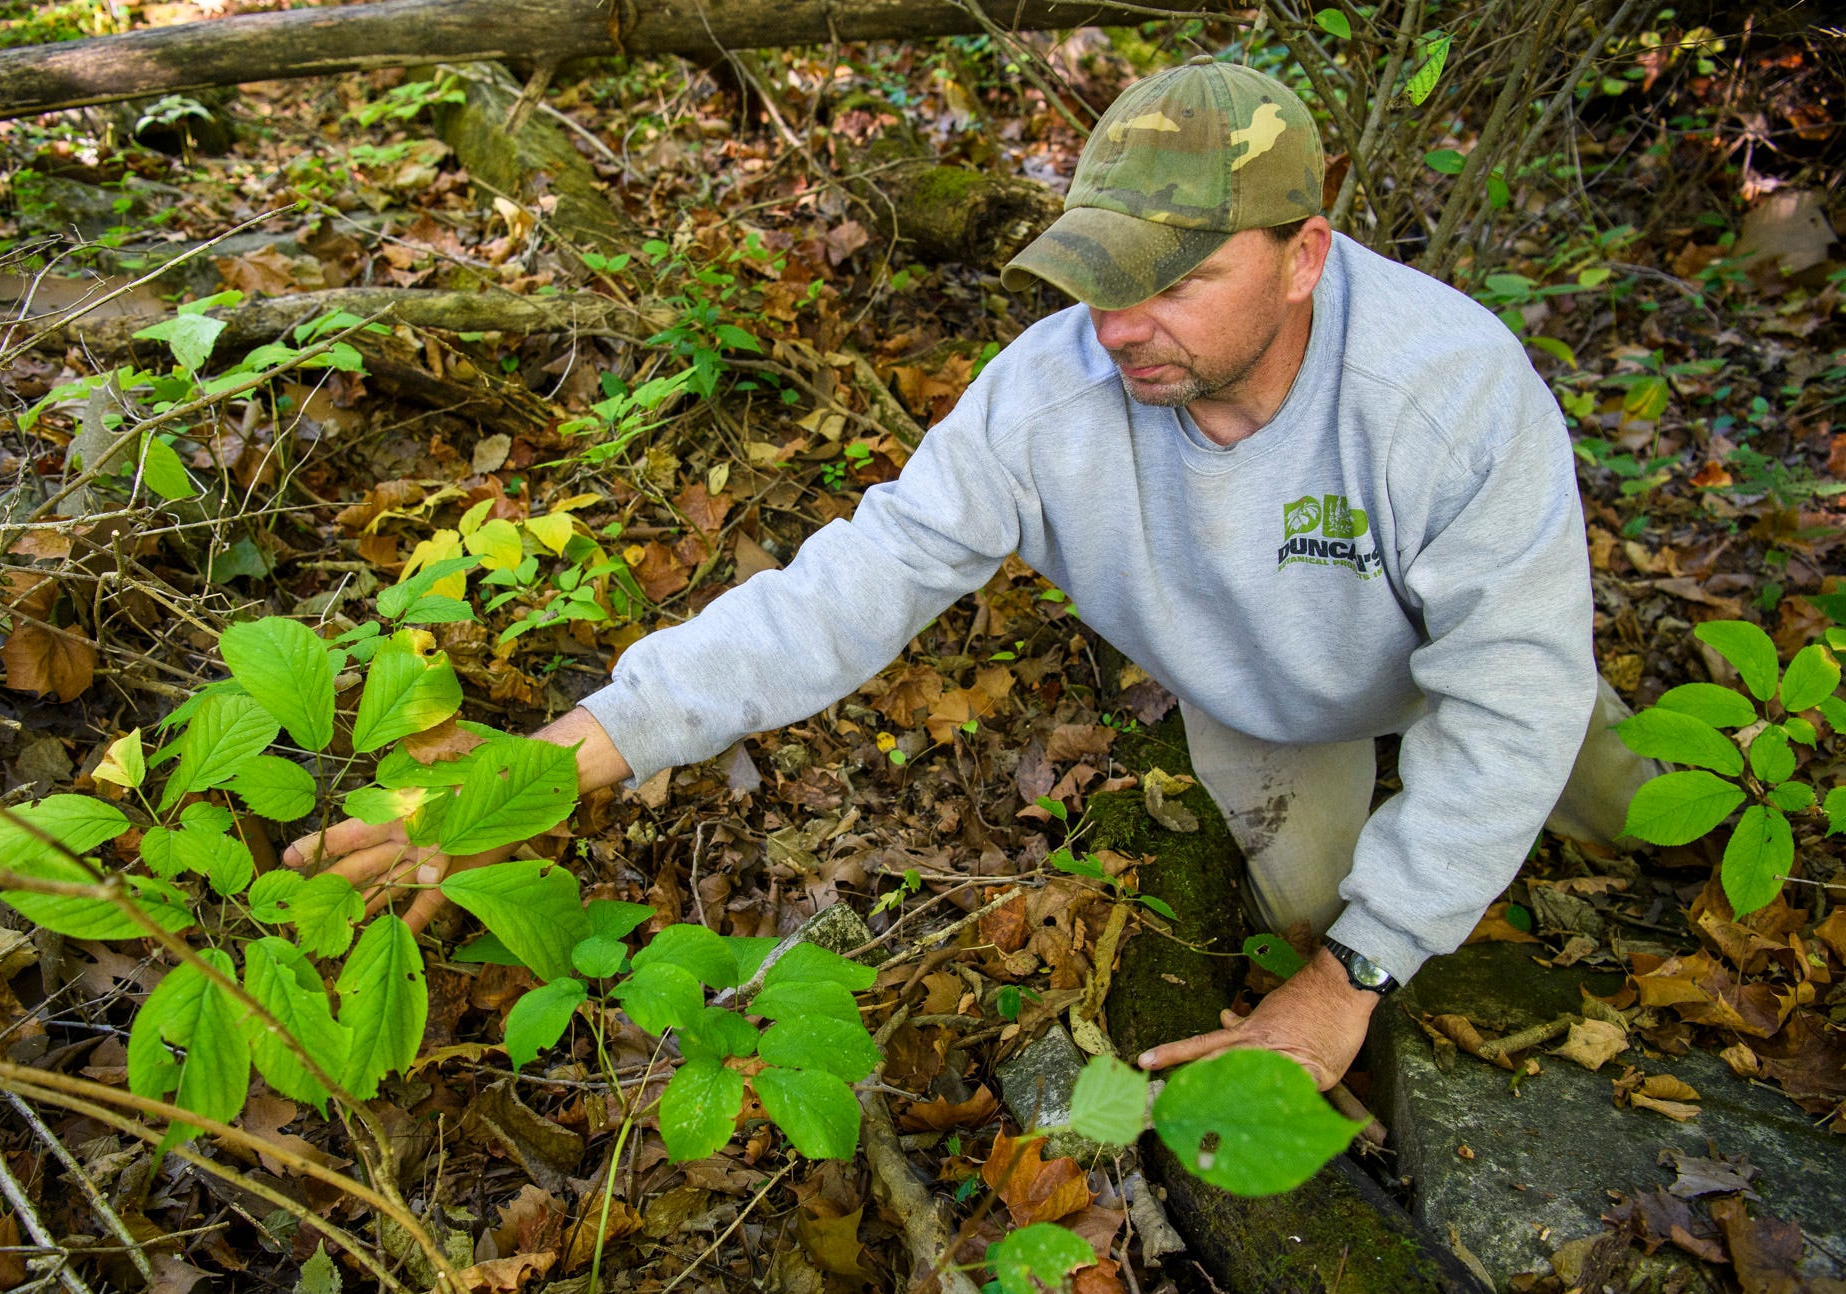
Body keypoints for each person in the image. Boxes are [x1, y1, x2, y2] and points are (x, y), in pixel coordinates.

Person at [287, 57, 1656, 1091]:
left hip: (1474, 661)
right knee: (1326, 912)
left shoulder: (1450, 393)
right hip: (1266, 704)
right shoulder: (1047, 403)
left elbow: (1512, 693)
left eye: (1178, 281)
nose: (1123, 327)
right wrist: (545, 767)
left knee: (1612, 810)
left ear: (1307, 256)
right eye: (1101, 275)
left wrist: (1356, 970)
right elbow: (841, 591)